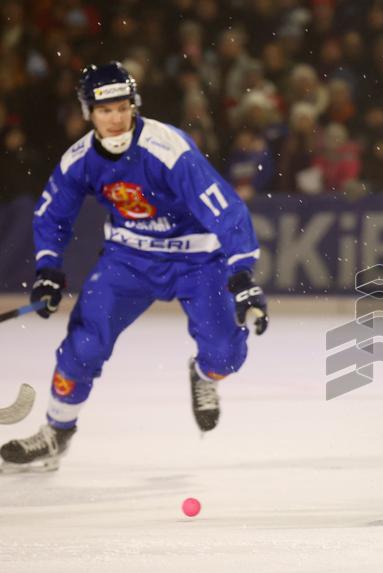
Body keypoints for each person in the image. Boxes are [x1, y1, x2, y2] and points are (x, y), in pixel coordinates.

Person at [1, 62, 268, 472]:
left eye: (122, 107)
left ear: (134, 105)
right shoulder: (79, 159)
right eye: (105, 110)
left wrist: (243, 270)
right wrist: (48, 269)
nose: (115, 118)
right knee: (84, 343)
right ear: (88, 112)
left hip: (197, 260)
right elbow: (52, 215)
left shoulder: (170, 149)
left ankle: (204, 375)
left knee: (225, 355)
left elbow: (224, 207)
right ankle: (57, 432)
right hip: (129, 261)